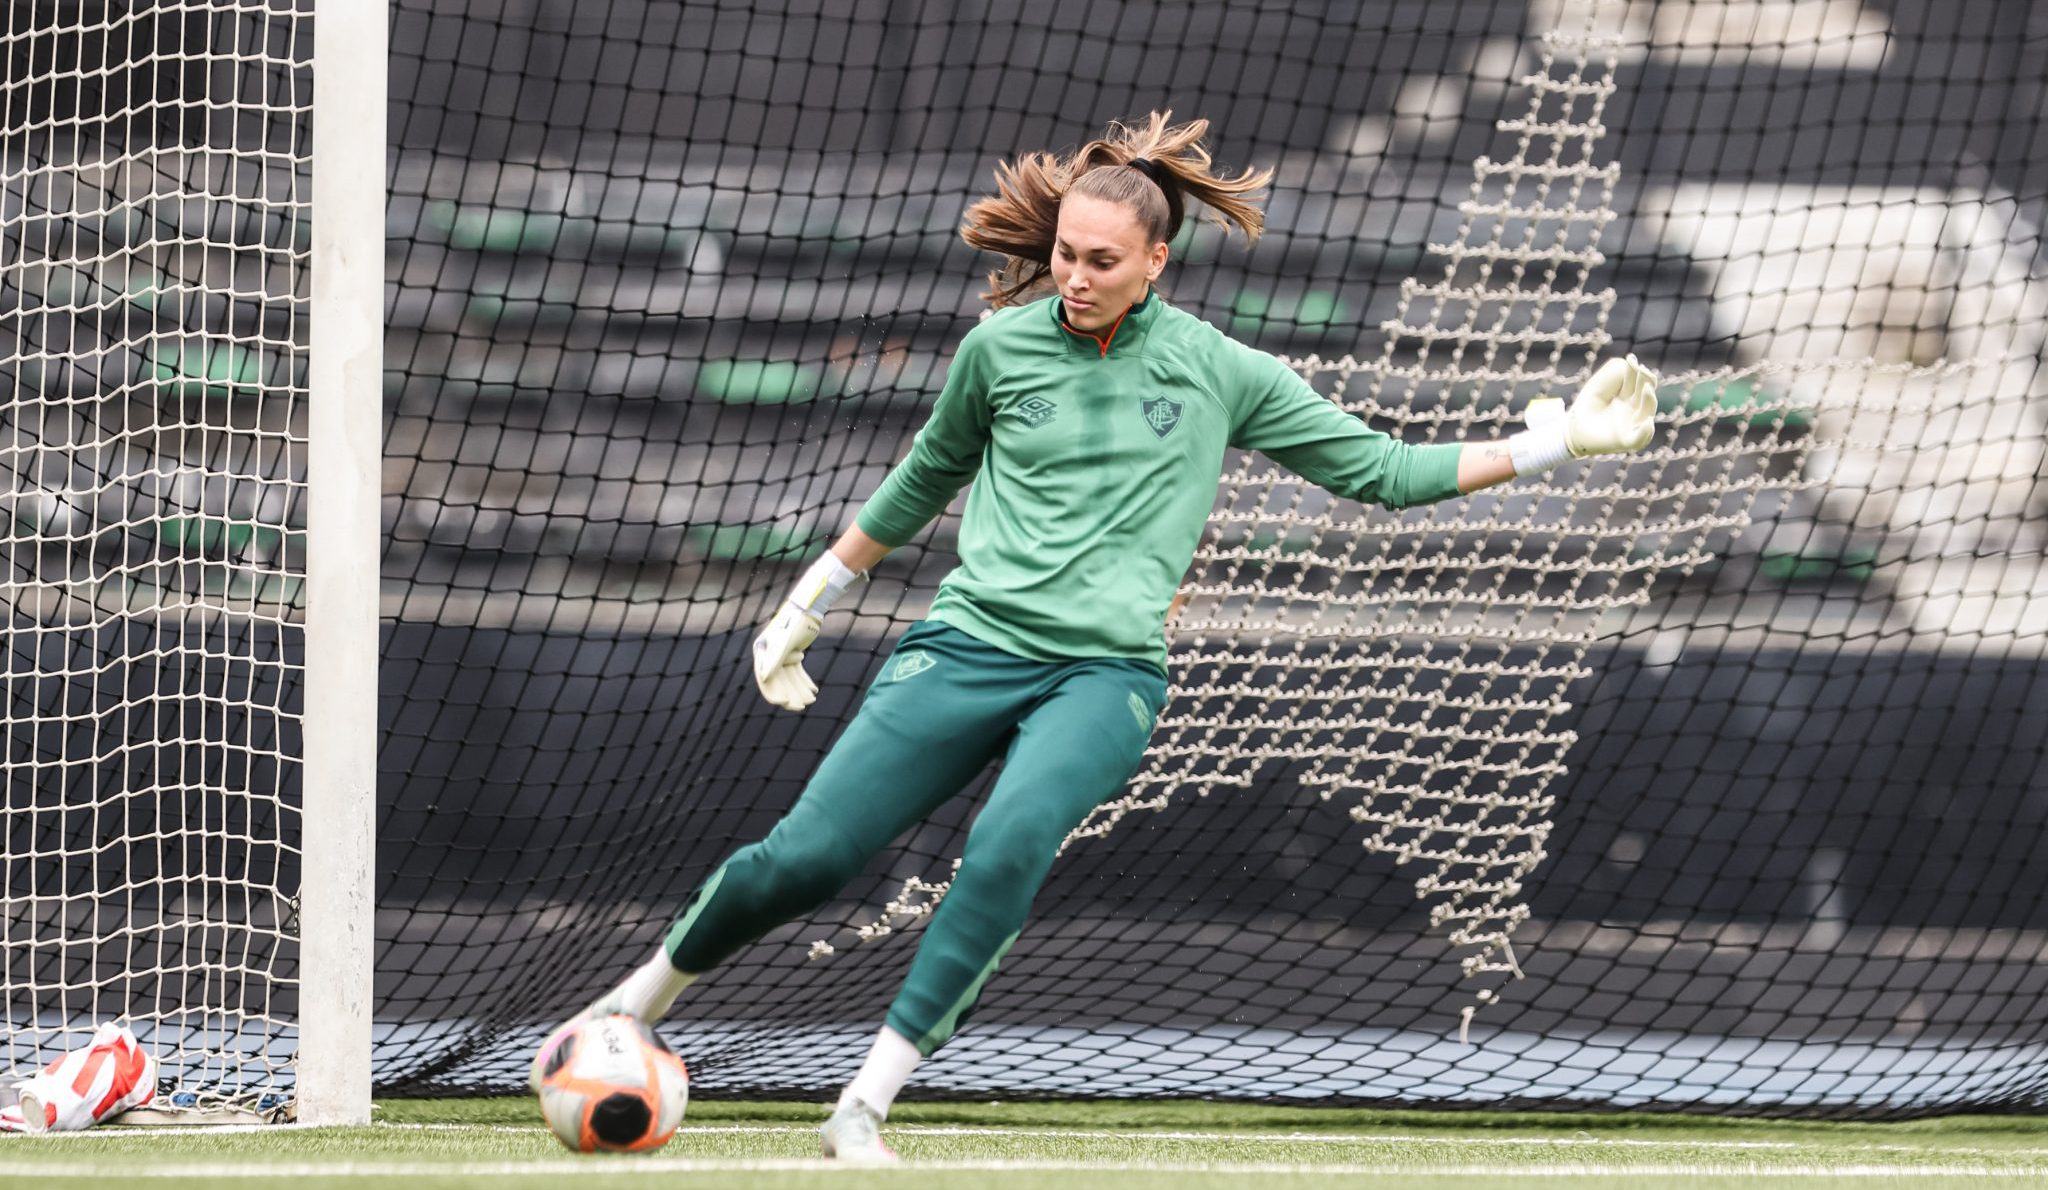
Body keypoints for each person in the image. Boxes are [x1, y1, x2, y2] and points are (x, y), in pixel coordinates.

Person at [532, 111, 1657, 1161]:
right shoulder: (999, 350)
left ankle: (862, 1101)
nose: (1073, 276)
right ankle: (634, 1003)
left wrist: (1555, 443)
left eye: (1099, 261)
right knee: (807, 859)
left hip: (1105, 675)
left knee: (1010, 845)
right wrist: (810, 594)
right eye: (1065, 253)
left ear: (1156, 261)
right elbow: (923, 477)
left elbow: (1381, 473)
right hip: (966, 646)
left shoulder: (1221, 369)